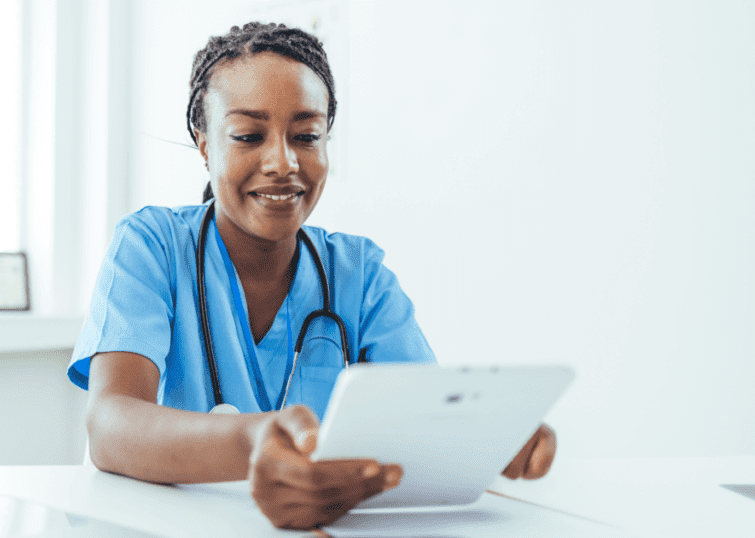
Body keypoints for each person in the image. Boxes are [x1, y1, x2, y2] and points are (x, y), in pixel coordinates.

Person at [68, 22, 557, 530]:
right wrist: (252, 441)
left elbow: (422, 420)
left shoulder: (360, 276)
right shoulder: (151, 247)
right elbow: (110, 424)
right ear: (205, 144)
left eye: (306, 136)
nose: (282, 162)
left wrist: (488, 440)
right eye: (247, 136)